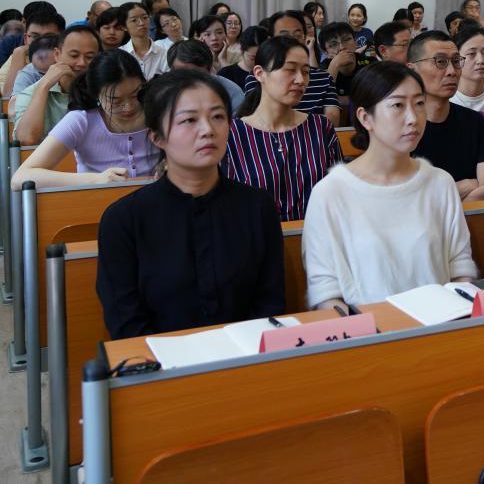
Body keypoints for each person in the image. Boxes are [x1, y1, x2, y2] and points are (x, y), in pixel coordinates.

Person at [96, 70, 285, 339]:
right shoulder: (124, 220)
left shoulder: (258, 207)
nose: (208, 130)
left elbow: (270, 304)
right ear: (157, 137)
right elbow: (126, 323)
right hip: (158, 360)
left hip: (248, 356)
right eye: (189, 120)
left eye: (218, 117)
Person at [302, 63, 477, 309]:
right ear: (365, 117)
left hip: (442, 321)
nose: (413, 118)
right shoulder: (330, 192)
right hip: (367, 328)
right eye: (397, 105)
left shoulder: (440, 182)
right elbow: (326, 292)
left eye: (419, 103)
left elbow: (460, 269)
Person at [224, 37, 344, 220]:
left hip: (315, 233)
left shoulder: (320, 127)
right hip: (255, 235)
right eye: (290, 70)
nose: (300, 80)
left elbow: (339, 192)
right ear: (259, 73)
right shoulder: (232, 134)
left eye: (306, 72)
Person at [12, 50, 160, 188]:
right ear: (96, 94)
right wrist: (95, 180)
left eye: (135, 95)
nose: (128, 107)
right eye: (115, 101)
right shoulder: (82, 120)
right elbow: (20, 178)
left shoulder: (158, 112)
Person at [407, 30, 484, 200]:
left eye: (456, 61)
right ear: (412, 69)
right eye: (440, 62)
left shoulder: (476, 122)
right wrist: (465, 186)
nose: (452, 71)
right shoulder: (401, 127)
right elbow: (406, 198)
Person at [243, 11, 341, 125]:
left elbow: (332, 120)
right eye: (284, 36)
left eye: (298, 36)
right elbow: (257, 118)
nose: (292, 42)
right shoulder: (259, 76)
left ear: (305, 38)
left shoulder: (324, 78)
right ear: (270, 40)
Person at [12, 25, 100, 144]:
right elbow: (26, 139)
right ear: (57, 55)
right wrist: (44, 86)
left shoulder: (105, 89)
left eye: (90, 57)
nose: (82, 63)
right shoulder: (30, 93)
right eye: (74, 55)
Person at [1, 4, 64, 96]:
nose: (42, 42)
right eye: (35, 36)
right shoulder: (18, 55)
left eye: (49, 37)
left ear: (63, 37)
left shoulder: (71, 59)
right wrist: (19, 53)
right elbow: (8, 97)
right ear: (26, 38)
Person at [167, 39, 245, 112]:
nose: (189, 79)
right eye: (183, 73)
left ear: (209, 69)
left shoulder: (231, 92)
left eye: (196, 74)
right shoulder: (164, 92)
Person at [119, 1, 171, 80]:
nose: (141, 23)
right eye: (134, 20)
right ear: (124, 27)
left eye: (145, 18)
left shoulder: (164, 53)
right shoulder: (119, 54)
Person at [319, 21, 372, 96]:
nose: (342, 47)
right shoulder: (323, 69)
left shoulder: (370, 64)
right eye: (333, 44)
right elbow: (319, 98)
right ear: (326, 53)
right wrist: (334, 65)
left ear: (355, 42)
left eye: (346, 39)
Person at [217, 25, 265, 91]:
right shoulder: (226, 74)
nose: (258, 61)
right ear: (242, 51)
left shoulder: (269, 74)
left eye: (263, 57)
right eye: (253, 58)